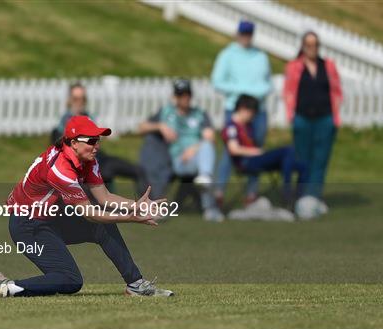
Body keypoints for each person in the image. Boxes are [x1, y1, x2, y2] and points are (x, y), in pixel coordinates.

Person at [0, 116, 174, 298]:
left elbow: (104, 197)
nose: (96, 146)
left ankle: (136, 285)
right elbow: (90, 213)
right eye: (91, 141)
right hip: (28, 226)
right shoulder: (60, 170)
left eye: (98, 140)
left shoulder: (87, 159)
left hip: (50, 218)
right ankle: (5, 287)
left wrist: (135, 205)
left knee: (103, 227)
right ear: (73, 142)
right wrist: (131, 217)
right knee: (70, 280)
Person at [138, 79, 224, 222]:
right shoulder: (166, 112)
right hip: (178, 160)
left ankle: (208, 196)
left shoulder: (200, 114)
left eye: (187, 95)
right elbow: (141, 127)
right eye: (181, 95)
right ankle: (209, 203)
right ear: (175, 97)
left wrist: (194, 148)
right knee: (207, 169)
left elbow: (210, 138)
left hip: (197, 157)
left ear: (191, 96)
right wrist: (160, 126)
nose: (184, 98)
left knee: (207, 157)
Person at [211, 20, 272, 206]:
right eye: (243, 33)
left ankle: (251, 193)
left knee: (256, 151)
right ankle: (219, 191)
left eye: (249, 34)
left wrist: (255, 93)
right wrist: (243, 90)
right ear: (237, 34)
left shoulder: (260, 56)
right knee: (231, 150)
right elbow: (217, 81)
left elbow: (267, 83)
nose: (246, 37)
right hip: (235, 109)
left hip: (258, 110)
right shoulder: (227, 55)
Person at [52, 83, 147, 195]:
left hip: (99, 159)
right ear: (69, 100)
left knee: (138, 170)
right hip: (85, 166)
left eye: (83, 99)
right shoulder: (63, 126)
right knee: (102, 179)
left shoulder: (89, 117)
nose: (80, 102)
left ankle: (148, 208)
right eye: (76, 99)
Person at [283, 31, 342, 208]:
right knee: (303, 160)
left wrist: (334, 116)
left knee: (320, 159)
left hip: (324, 118)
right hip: (302, 118)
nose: (312, 48)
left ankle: (314, 196)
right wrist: (291, 115)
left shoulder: (328, 66)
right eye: (308, 45)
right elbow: (288, 91)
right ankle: (301, 196)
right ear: (302, 46)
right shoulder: (294, 67)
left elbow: (337, 91)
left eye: (315, 45)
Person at [222, 95, 307, 204]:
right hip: (246, 162)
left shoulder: (248, 126)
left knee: (302, 166)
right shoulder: (231, 127)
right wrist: (254, 152)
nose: (252, 117)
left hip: (256, 159)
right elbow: (233, 149)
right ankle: (287, 192)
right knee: (287, 151)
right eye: (251, 113)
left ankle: (299, 198)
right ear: (242, 109)